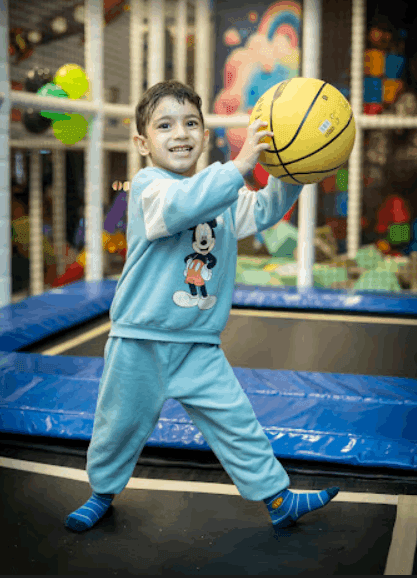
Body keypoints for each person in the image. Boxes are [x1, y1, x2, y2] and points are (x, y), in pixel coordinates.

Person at [65, 80, 339, 533]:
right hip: (140, 339)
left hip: (197, 344)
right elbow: (180, 206)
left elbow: (265, 208)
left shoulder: (223, 196)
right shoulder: (149, 188)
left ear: (205, 134)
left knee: (237, 422)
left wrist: (294, 168)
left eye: (191, 123)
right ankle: (101, 492)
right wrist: (238, 166)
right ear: (143, 143)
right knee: (117, 427)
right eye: (165, 125)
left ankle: (277, 499)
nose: (180, 133)